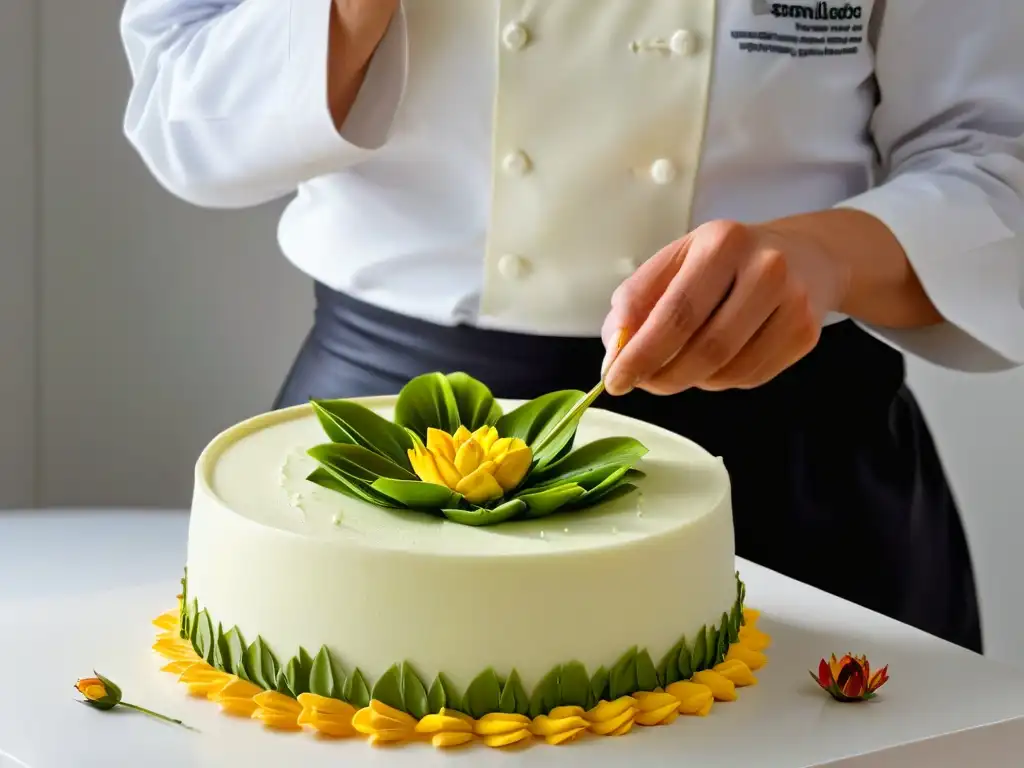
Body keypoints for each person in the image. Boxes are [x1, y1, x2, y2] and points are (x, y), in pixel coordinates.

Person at [120, 0, 1024, 654]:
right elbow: (173, 100)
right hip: (384, 460)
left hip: (795, 471)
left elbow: (996, 165)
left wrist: (831, 256)